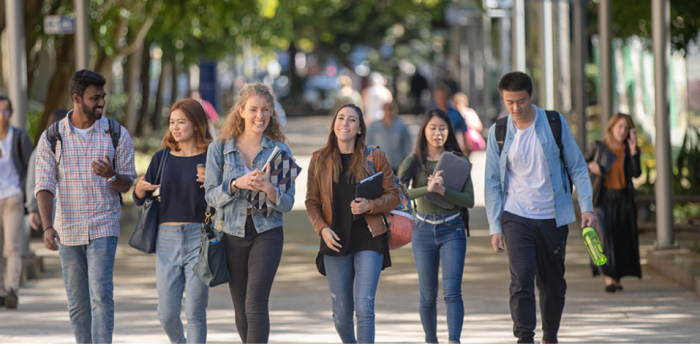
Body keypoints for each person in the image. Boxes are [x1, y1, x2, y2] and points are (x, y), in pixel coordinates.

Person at [484, 71, 597, 344]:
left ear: (531, 96)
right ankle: (525, 338)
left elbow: (578, 167)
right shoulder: (498, 131)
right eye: (509, 102)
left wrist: (586, 207)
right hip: (516, 216)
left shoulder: (553, 122)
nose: (515, 108)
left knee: (552, 284)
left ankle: (550, 336)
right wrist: (495, 226)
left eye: (520, 101)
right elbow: (491, 183)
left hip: (552, 217)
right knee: (521, 280)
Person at [34, 69, 137, 343]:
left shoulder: (116, 133)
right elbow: (44, 185)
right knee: (78, 301)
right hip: (67, 229)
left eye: (102, 97)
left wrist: (112, 176)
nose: (101, 102)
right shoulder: (53, 137)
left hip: (104, 224)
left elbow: (128, 184)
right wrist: (47, 226)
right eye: (95, 98)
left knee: (101, 295)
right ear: (77, 99)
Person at [204, 83, 294, 344]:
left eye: (266, 110)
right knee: (242, 308)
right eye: (253, 109)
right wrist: (235, 184)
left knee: (255, 302)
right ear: (241, 111)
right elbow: (210, 195)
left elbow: (287, 203)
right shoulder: (219, 149)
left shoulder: (280, 151)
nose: (260, 116)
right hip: (231, 233)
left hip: (267, 232)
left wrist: (269, 188)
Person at [305, 103, 399, 344]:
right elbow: (311, 202)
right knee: (340, 315)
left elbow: (393, 196)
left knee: (365, 307)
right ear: (334, 124)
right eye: (340, 118)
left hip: (369, 237)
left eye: (351, 120)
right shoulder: (319, 159)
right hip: (335, 240)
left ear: (359, 128)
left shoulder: (374, 156)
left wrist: (370, 205)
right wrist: (322, 229)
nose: (345, 123)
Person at [133, 99, 213, 343]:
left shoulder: (211, 157)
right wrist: (139, 188)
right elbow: (141, 197)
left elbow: (223, 197)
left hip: (200, 238)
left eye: (182, 122)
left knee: (195, 313)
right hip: (166, 239)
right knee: (167, 314)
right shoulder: (162, 158)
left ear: (197, 125)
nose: (175, 128)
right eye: (172, 122)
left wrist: (211, 181)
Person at [398, 109, 474, 344]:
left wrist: (443, 191)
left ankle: (454, 341)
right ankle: (431, 340)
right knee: (427, 296)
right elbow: (398, 194)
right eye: (432, 128)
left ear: (449, 130)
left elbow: (469, 200)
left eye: (443, 128)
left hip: (452, 230)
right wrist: (426, 190)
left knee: (453, 293)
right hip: (422, 231)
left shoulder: (458, 160)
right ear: (424, 131)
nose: (438, 133)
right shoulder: (413, 161)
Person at [585, 113, 642, 293]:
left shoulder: (629, 149)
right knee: (605, 236)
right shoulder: (599, 147)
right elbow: (579, 161)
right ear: (611, 128)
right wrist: (590, 165)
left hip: (624, 199)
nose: (623, 131)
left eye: (626, 128)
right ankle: (608, 278)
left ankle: (616, 278)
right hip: (603, 198)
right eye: (620, 127)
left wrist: (633, 150)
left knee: (621, 238)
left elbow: (636, 173)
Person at [0, 95, 33, 310]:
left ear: (11, 113)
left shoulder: (19, 137)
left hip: (12, 197)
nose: (2, 116)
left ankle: (12, 289)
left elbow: (31, 168)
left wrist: (24, 193)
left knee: (11, 246)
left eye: (5, 111)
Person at [26, 109, 68, 236]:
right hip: (52, 204)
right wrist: (32, 209)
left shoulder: (73, 146)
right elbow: (32, 182)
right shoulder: (42, 149)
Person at [365, 101, 412, 173]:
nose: (388, 111)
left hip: (397, 165)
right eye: (386, 109)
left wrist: (406, 163)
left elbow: (407, 145)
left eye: (390, 109)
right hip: (379, 164)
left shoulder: (402, 126)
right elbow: (368, 143)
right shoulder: (374, 126)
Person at [430, 84, 467, 153]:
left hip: (451, 148)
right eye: (439, 97)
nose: (441, 100)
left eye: (443, 97)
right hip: (433, 149)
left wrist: (465, 147)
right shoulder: (429, 113)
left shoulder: (455, 114)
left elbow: (464, 129)